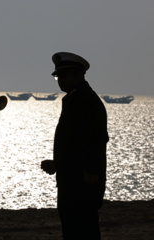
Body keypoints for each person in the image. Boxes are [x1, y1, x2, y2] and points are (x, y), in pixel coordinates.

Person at [41, 52, 109, 240]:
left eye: (64, 75)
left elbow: (95, 140)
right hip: (71, 180)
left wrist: (91, 174)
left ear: (79, 74)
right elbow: (74, 143)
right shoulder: (74, 98)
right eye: (58, 76)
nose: (60, 80)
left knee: (83, 229)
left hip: (82, 184)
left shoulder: (85, 99)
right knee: (73, 229)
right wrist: (58, 164)